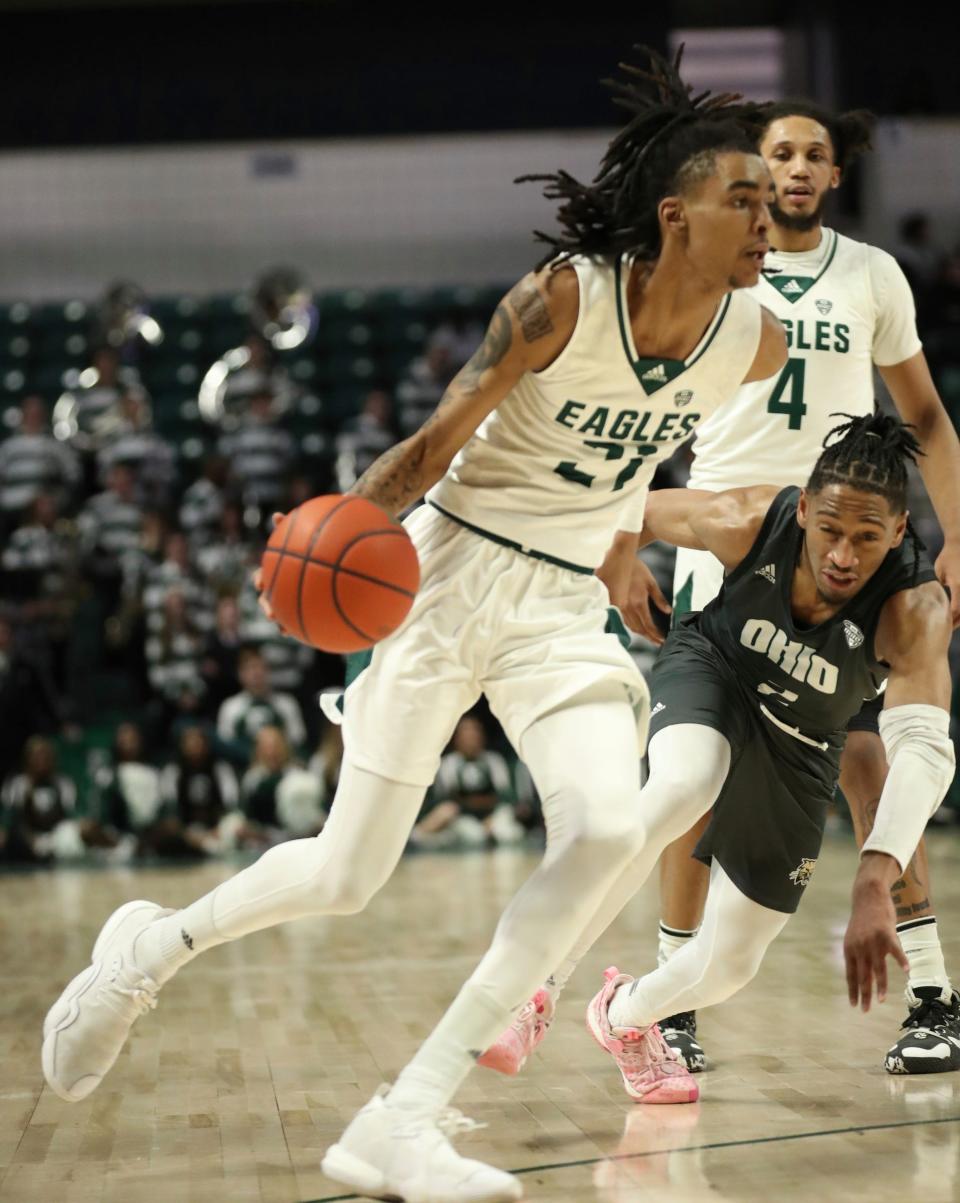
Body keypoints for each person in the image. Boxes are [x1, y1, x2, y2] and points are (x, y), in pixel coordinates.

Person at [41, 48, 786, 1202]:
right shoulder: (563, 299)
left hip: (557, 603)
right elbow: (435, 450)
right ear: (674, 214)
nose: (769, 213)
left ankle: (405, 1115)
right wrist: (317, 550)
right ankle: (145, 954)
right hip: (448, 571)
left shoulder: (757, 342)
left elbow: (628, 458)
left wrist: (632, 538)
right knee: (349, 871)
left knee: (600, 830)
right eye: (744, 197)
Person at [485, 414, 955, 1102]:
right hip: (717, 672)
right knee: (683, 782)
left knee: (734, 960)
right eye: (828, 529)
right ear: (801, 510)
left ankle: (624, 1017)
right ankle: (536, 990)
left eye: (866, 537)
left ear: (899, 531)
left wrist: (875, 877)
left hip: (803, 739)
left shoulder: (915, 606)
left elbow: (925, 751)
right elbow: (638, 509)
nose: (843, 555)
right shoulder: (746, 519)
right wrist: (617, 554)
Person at [636, 102, 960, 1077]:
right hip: (733, 540)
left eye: (816, 153)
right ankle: (672, 1001)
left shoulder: (870, 273)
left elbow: (930, 421)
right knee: (691, 782)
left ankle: (936, 994)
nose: (800, 166)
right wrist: (621, 538)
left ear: (834, 172)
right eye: (782, 152)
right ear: (755, 168)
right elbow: (648, 403)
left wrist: (956, 541)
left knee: (874, 768)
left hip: (843, 551)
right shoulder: (719, 266)